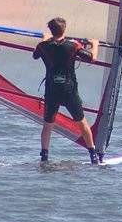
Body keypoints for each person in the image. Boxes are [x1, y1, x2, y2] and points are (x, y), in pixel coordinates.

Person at [33, 17, 101, 164]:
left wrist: (45, 40)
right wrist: (95, 44)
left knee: (48, 124)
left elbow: (35, 55)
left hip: (51, 90)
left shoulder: (43, 46)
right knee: (82, 122)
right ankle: (93, 155)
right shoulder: (73, 46)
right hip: (68, 90)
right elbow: (92, 58)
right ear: (64, 29)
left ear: (51, 31)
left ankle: (44, 156)